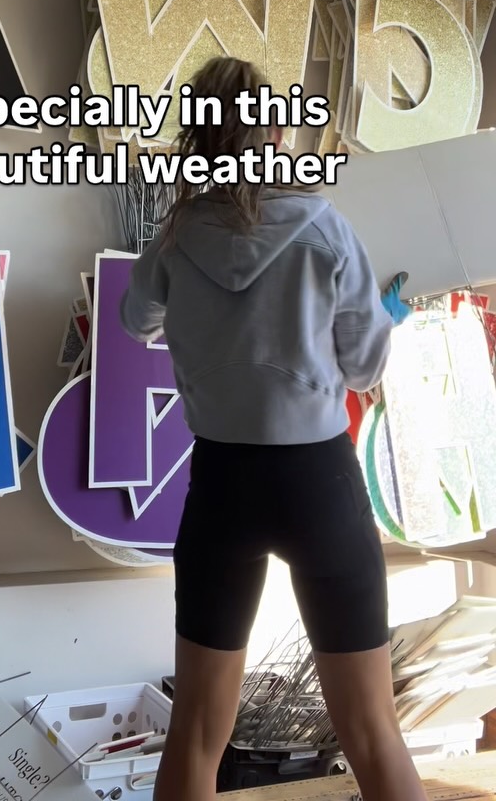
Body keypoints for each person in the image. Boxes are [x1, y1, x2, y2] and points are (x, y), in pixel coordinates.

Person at [120, 56, 427, 801]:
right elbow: (362, 369)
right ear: (278, 134)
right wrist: (385, 316)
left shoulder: (176, 235)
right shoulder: (326, 228)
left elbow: (135, 322)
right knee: (371, 730)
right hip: (316, 481)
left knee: (196, 731)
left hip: (222, 483)